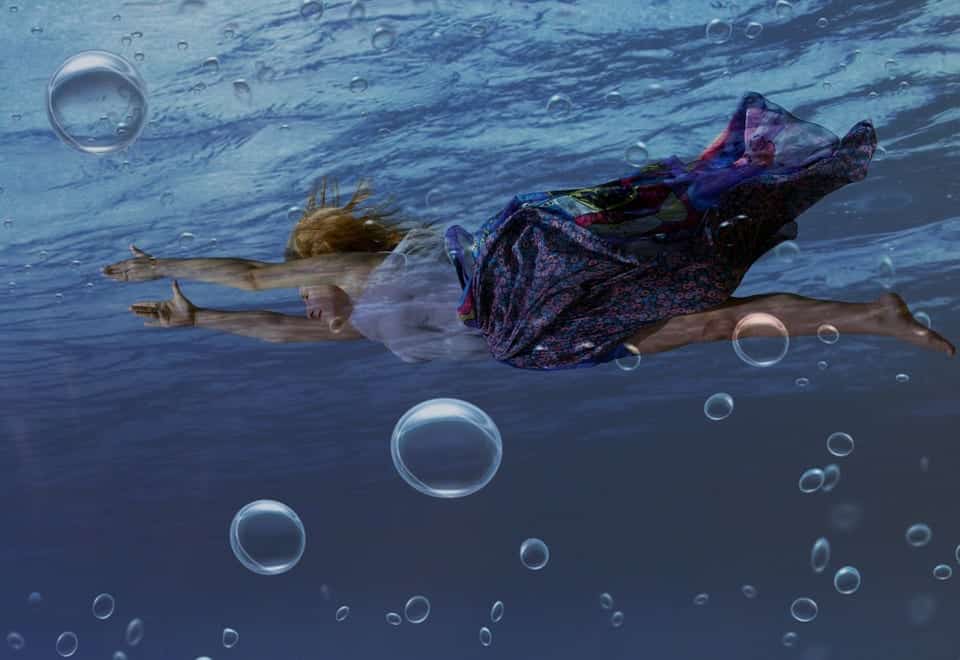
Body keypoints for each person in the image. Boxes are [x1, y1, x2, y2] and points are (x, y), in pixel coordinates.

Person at [103, 92, 955, 368]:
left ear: (322, 268)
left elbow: (255, 280)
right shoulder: (352, 323)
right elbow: (268, 324)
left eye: (307, 293)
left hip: (523, 277)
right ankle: (876, 316)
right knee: (706, 315)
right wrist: (198, 321)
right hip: (536, 337)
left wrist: (162, 269)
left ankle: (740, 177)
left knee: (677, 223)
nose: (309, 311)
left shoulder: (364, 273)